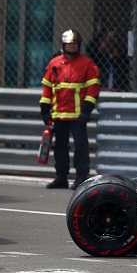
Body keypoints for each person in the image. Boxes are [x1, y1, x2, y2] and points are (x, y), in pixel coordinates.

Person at [40, 29, 100, 190]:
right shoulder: (54, 63)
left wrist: (87, 110)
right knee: (60, 147)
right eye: (69, 44)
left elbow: (93, 88)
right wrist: (45, 110)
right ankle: (61, 177)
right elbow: (47, 87)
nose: (72, 47)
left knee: (81, 147)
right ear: (63, 45)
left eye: (74, 44)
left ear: (79, 45)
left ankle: (81, 177)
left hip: (78, 115)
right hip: (59, 114)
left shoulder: (87, 64)